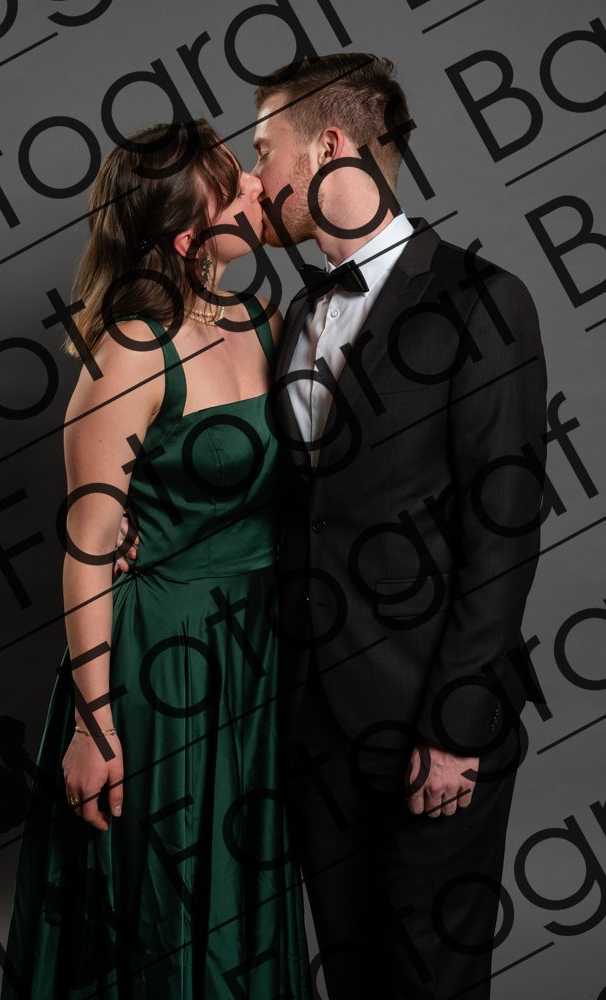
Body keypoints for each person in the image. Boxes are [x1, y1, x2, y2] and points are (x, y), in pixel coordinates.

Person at [247, 53, 548, 999]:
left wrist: (457, 728)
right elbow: (298, 504)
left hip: (433, 720)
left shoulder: (483, 299)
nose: (256, 178)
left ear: (327, 147)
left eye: (265, 150)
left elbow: (504, 533)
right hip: (314, 724)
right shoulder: (299, 311)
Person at [0, 119, 309, 999]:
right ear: (186, 237)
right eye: (234, 186)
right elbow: (90, 550)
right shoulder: (133, 351)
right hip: (165, 666)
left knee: (246, 897)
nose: (258, 187)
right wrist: (93, 726)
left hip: (258, 655)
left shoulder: (263, 318)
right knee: (169, 912)